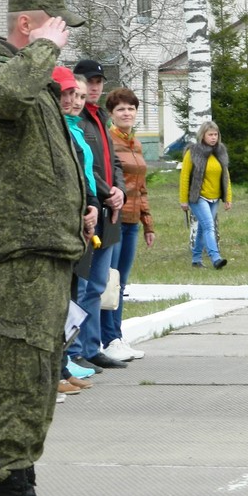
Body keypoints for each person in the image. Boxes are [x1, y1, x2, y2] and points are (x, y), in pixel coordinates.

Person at [0, 0, 93, 496]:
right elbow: (7, 96)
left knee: (38, 377)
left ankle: (25, 492)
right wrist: (42, 49)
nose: (62, 43)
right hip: (17, 255)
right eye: (56, 30)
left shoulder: (31, 83)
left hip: (45, 249)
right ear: (28, 27)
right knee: (18, 377)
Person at [68, 58, 127, 371]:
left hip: (108, 208)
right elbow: (85, 168)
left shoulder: (100, 117)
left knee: (99, 284)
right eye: (88, 82)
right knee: (83, 283)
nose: (93, 88)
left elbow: (112, 160)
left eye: (98, 82)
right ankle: (75, 348)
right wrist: (107, 192)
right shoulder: (76, 122)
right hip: (92, 206)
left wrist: (119, 191)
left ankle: (92, 346)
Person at [54, 66, 99, 398]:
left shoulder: (77, 130)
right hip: (63, 223)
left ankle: (63, 364)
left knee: (72, 296)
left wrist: (93, 203)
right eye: (67, 93)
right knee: (60, 301)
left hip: (82, 217)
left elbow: (86, 175)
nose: (73, 100)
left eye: (77, 94)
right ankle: (58, 367)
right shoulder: (57, 130)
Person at [101, 87, 155, 362]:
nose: (127, 113)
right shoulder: (108, 140)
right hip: (114, 218)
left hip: (132, 221)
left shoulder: (136, 143)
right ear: (111, 114)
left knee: (121, 283)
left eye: (131, 108)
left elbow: (141, 188)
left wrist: (148, 223)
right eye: (121, 109)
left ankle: (117, 336)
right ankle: (107, 338)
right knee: (109, 282)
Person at [179, 121, 231, 269]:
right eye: (210, 134)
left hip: (214, 198)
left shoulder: (220, 152)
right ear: (203, 135)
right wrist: (183, 200)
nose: (213, 137)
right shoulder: (193, 152)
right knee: (209, 226)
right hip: (198, 197)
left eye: (215, 134)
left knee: (203, 228)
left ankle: (196, 259)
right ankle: (216, 258)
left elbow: (226, 176)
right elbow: (184, 177)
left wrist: (228, 198)